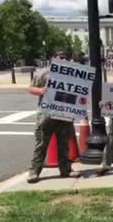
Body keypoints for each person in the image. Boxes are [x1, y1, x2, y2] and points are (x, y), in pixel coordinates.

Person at [27, 50, 81, 183]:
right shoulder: (43, 72)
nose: (63, 59)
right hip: (46, 114)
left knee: (64, 144)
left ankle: (66, 170)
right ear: (53, 58)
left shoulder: (72, 74)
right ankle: (34, 172)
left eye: (65, 57)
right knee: (41, 144)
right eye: (60, 57)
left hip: (64, 113)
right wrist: (41, 91)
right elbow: (30, 88)